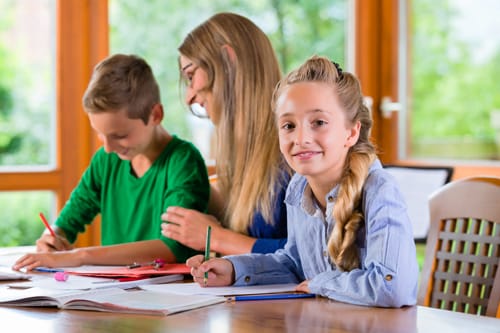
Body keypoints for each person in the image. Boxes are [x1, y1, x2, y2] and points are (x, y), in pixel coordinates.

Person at [186, 55, 419, 308]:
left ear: (352, 132)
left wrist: (320, 283)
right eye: (288, 125)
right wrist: (233, 269)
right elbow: (295, 263)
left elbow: (392, 286)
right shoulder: (298, 188)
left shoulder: (379, 190)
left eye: (319, 123)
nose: (301, 138)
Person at [13, 54, 210, 270]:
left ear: (155, 115)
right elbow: (69, 219)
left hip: (172, 293)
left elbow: (174, 247)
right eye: (100, 134)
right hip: (115, 290)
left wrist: (81, 255)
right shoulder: (106, 160)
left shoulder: (183, 161)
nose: (108, 148)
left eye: (120, 135)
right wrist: (50, 239)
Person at [160, 12, 291, 255]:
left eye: (191, 75)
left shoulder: (296, 151)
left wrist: (216, 238)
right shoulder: (247, 163)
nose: (189, 97)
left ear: (228, 61)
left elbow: (314, 255)